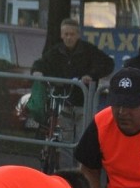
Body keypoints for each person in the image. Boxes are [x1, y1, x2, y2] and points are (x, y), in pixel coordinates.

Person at [32, 17, 115, 165]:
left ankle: (81, 172)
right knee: (65, 140)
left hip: (84, 103)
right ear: (61, 35)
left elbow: (108, 63)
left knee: (82, 140)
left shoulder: (89, 50)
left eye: (72, 34)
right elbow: (41, 63)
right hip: (64, 102)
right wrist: (37, 71)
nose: (69, 37)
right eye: (66, 34)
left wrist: (92, 75)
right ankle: (66, 175)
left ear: (78, 35)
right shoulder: (55, 51)